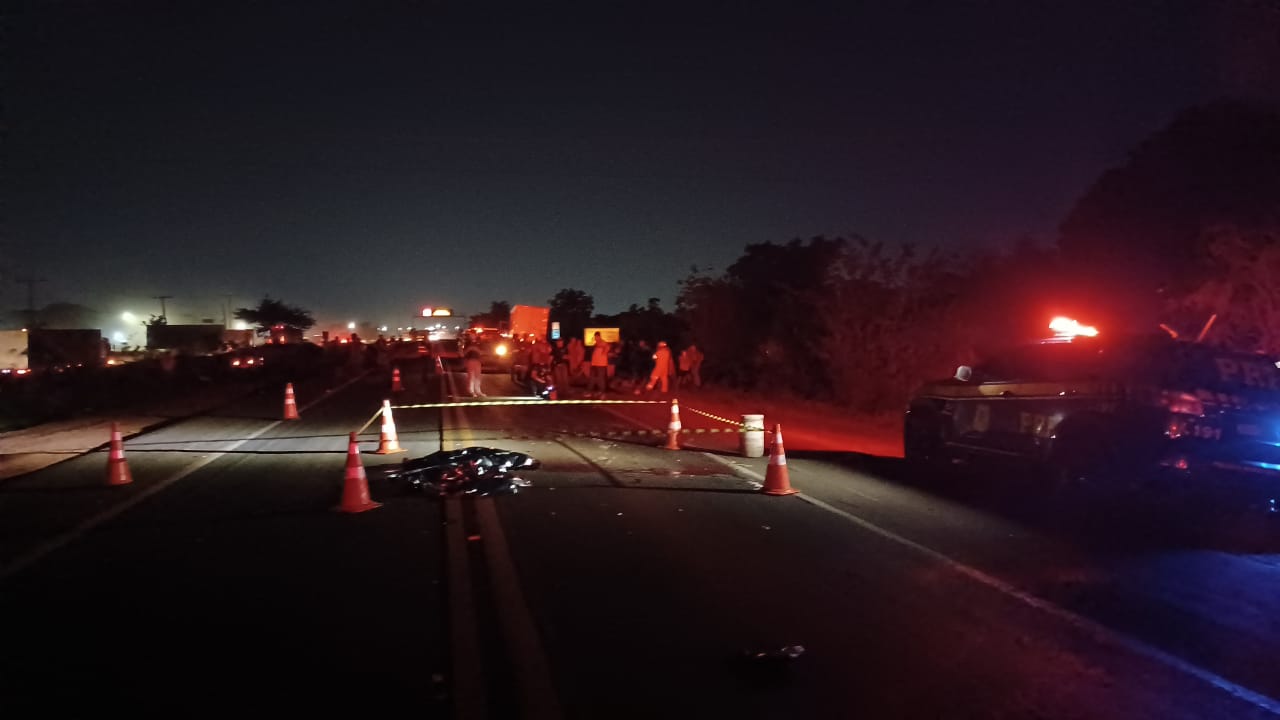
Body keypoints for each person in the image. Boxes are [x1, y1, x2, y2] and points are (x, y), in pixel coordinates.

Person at [588, 332, 610, 398]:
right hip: (594, 363)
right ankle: (591, 391)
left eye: (596, 337)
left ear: (599, 336)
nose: (595, 338)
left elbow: (608, 347)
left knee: (601, 378)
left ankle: (602, 393)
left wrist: (604, 353)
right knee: (592, 378)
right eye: (595, 337)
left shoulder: (603, 343)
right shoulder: (596, 343)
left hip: (601, 364)